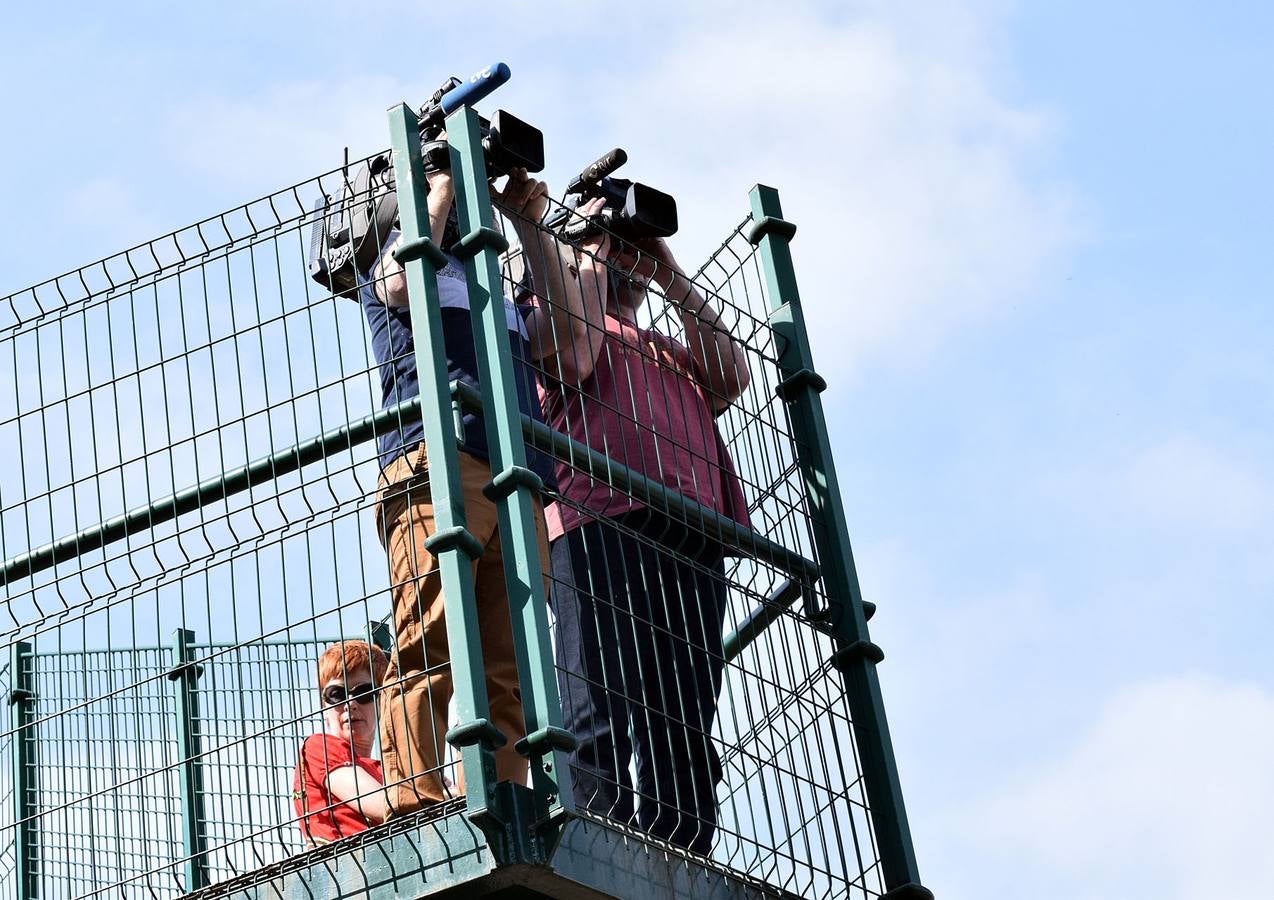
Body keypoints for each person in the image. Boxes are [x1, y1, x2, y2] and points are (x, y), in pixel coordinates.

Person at [362, 148, 603, 818]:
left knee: (512, 655)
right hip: (438, 462)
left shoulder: (488, 279)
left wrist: (531, 226)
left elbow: (566, 336)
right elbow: (397, 285)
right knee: (430, 630)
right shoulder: (397, 257)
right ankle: (412, 796)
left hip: (515, 470)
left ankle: (501, 792)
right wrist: (438, 177)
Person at [540, 223, 752, 855]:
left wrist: (670, 273)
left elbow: (731, 377)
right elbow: (569, 352)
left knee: (682, 711)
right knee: (595, 697)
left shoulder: (667, 347)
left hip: (691, 532)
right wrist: (584, 258)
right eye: (612, 242)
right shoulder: (548, 317)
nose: (622, 252)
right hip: (594, 522)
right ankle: (600, 842)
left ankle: (680, 849)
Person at [293, 639, 392, 845]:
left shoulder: (386, 769)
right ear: (324, 707)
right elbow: (384, 804)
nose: (350, 703)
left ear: (382, 699)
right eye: (337, 694)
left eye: (363, 692)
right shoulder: (319, 747)